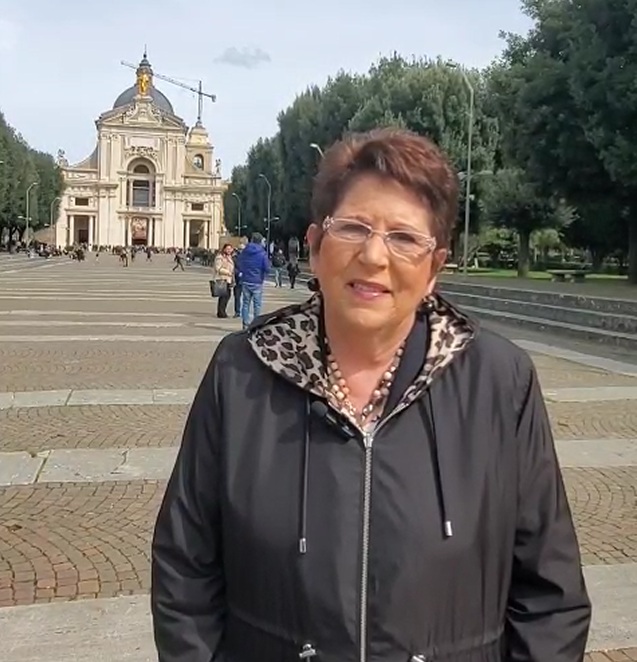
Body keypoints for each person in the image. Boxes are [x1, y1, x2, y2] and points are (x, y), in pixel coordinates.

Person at [152, 128, 591, 662]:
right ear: (315, 247)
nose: (374, 256)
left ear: (435, 268)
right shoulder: (240, 371)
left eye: (405, 238)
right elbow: (185, 571)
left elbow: (551, 598)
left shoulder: (500, 381)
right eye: (354, 228)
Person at [235, 232, 269, 329]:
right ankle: (256, 324)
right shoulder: (262, 253)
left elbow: (240, 263)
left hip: (246, 280)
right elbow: (267, 268)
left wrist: (244, 272)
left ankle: (245, 324)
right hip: (257, 281)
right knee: (257, 304)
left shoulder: (245, 251)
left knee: (246, 303)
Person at [213, 243, 234, 318]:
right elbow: (218, 268)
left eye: (230, 249)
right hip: (222, 278)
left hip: (228, 279)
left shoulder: (229, 257)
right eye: (227, 249)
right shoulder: (220, 257)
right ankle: (221, 312)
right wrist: (228, 272)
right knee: (223, 296)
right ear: (224, 249)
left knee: (227, 296)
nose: (229, 250)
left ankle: (222, 311)